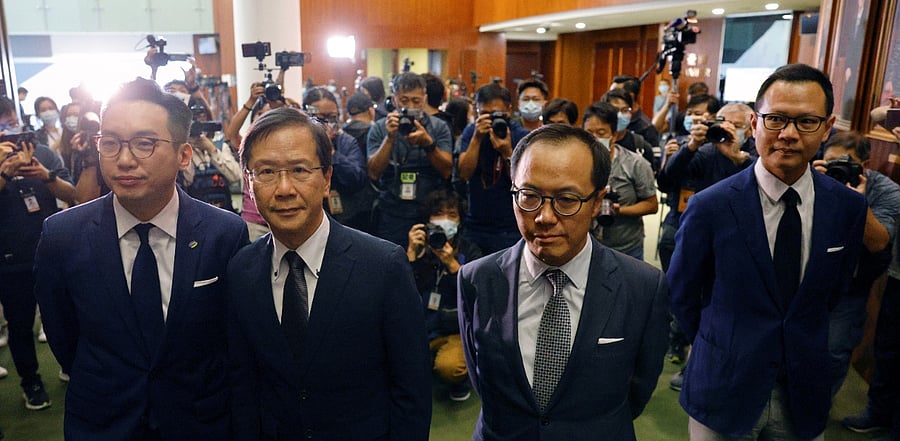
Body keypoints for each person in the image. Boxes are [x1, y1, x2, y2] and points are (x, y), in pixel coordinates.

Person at [33, 78, 250, 440]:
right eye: (111, 143)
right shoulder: (63, 236)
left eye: (145, 144)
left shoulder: (223, 233)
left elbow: (230, 341)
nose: (125, 159)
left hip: (199, 421)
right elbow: (63, 334)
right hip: (104, 420)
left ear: (183, 155)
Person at [669, 63, 868, 440]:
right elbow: (682, 295)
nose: (788, 134)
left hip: (802, 386)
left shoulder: (847, 207)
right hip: (724, 384)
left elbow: (835, 291)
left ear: (827, 127)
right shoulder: (710, 206)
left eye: (806, 122)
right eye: (775, 119)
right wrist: (722, 342)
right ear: (754, 123)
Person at [227, 107, 432, 440]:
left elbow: (411, 390)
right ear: (249, 184)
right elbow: (243, 385)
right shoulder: (241, 270)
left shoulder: (383, 266)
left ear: (326, 179)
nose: (284, 188)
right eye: (265, 172)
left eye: (299, 169)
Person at [458, 124, 668, 441]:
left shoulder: (642, 286)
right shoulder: (477, 278)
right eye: (529, 196)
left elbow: (638, 388)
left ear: (598, 201)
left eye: (566, 199)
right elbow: (481, 377)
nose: (544, 216)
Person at [1, 95, 76, 411]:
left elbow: (73, 194)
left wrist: (44, 174)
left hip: (51, 250)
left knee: (66, 313)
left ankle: (70, 364)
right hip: (9, 259)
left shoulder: (43, 153)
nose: (8, 131)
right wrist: (4, 173)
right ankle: (30, 381)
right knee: (20, 326)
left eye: (10, 123)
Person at [811, 132, 899, 397]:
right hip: (807, 275)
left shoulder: (886, 191)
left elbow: (879, 242)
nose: (837, 168)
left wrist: (857, 203)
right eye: (831, 161)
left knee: (835, 348)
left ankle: (819, 407)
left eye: (846, 163)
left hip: (851, 282)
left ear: (865, 166)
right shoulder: (808, 178)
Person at [407, 189, 482, 402]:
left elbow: (476, 298)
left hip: (457, 329)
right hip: (426, 326)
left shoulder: (470, 251)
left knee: (449, 367)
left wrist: (452, 264)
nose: (445, 220)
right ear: (428, 219)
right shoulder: (421, 246)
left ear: (460, 220)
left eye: (452, 214)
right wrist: (411, 255)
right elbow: (401, 292)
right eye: (439, 213)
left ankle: (460, 377)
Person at [367, 72, 453, 247]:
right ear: (394, 99)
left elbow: (447, 171)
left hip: (429, 210)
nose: (411, 106)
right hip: (392, 211)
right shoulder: (379, 128)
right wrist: (389, 138)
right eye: (404, 101)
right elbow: (373, 173)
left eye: (416, 101)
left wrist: (428, 144)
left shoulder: (439, 127)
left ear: (425, 98)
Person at [458, 83, 531, 254]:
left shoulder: (521, 135)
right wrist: (476, 138)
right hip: (475, 223)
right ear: (476, 110)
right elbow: (464, 173)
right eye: (484, 114)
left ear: (509, 109)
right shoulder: (471, 132)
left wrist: (506, 151)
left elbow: (524, 182)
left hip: (509, 225)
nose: (491, 120)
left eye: (496, 114)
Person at [582, 101, 658, 260]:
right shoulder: (575, 163)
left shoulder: (636, 164)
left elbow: (652, 205)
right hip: (586, 246)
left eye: (601, 132)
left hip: (626, 247)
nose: (595, 138)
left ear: (614, 135)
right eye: (589, 133)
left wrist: (619, 210)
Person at [302, 86, 370, 231]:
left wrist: (332, 153)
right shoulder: (299, 143)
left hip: (347, 218)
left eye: (332, 117)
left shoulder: (346, 141)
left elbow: (358, 178)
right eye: (321, 119)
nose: (328, 123)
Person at [601, 88, 658, 171]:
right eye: (615, 110)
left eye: (625, 110)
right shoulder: (596, 142)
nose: (620, 115)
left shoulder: (641, 146)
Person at [611, 74, 661, 147]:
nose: (610, 96)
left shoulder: (646, 128)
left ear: (630, 96)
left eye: (615, 93)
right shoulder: (608, 120)